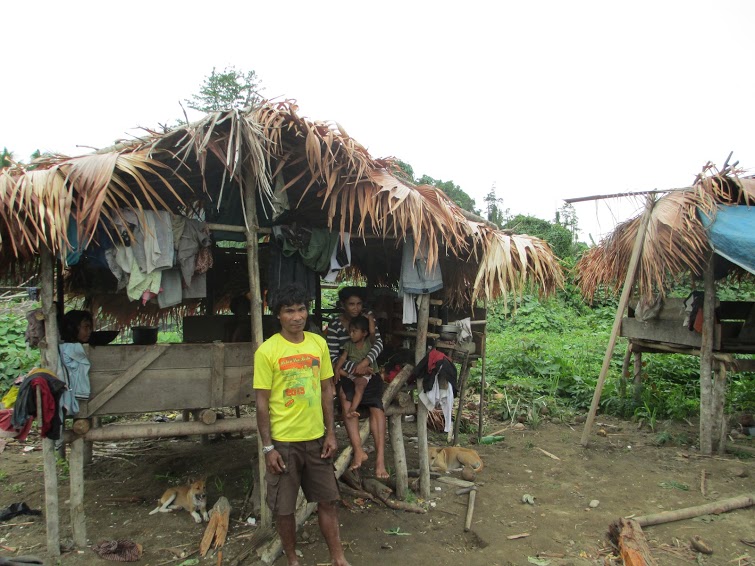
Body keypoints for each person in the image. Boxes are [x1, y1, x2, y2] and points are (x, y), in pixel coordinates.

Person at [254, 283, 350, 566]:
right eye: (289, 311)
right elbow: (261, 403)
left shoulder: (318, 343)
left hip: (317, 439)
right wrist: (268, 447)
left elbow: (326, 391)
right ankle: (293, 560)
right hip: (283, 443)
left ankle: (338, 558)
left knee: (328, 500)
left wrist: (331, 433)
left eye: (301, 309)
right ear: (278, 316)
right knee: (284, 509)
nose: (297, 316)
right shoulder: (267, 351)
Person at [326, 287, 388, 479]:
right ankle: (358, 450)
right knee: (346, 402)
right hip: (348, 375)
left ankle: (380, 461)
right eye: (351, 304)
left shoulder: (367, 322)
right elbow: (333, 356)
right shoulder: (335, 325)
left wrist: (365, 363)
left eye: (359, 304)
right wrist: (355, 368)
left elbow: (378, 344)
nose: (355, 308)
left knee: (377, 409)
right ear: (343, 305)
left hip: (369, 372)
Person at [334, 315, 377, 418]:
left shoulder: (368, 343)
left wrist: (371, 319)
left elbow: (372, 333)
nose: (351, 334)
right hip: (351, 373)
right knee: (335, 370)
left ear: (364, 333)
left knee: (360, 387)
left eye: (354, 331)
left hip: (363, 375)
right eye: (350, 331)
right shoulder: (348, 345)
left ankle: (352, 409)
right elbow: (343, 358)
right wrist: (336, 370)